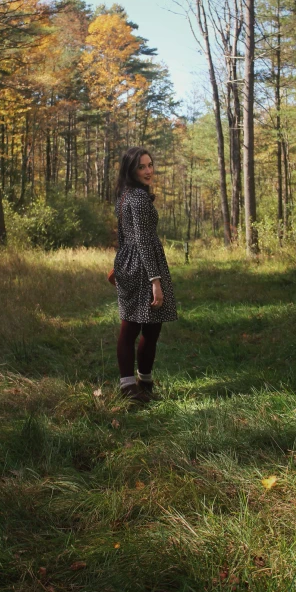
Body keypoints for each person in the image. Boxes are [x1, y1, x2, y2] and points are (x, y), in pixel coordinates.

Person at [113, 146, 178, 402]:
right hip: (142, 265)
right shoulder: (138, 198)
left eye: (150, 165)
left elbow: (124, 235)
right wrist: (155, 281)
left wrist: (118, 265)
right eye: (142, 166)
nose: (149, 170)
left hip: (130, 261)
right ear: (131, 170)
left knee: (147, 328)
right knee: (135, 328)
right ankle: (131, 388)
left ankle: (142, 384)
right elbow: (140, 239)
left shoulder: (125, 195)